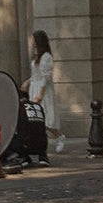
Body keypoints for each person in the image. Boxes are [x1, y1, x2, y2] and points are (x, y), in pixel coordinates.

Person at [20, 30, 58, 164]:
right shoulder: (37, 57)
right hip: (34, 87)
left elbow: (45, 77)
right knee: (35, 119)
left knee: (44, 118)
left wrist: (40, 94)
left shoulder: (46, 57)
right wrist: (28, 82)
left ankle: (58, 137)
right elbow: (36, 74)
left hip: (42, 89)